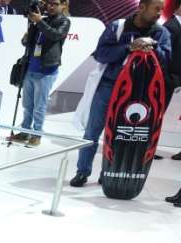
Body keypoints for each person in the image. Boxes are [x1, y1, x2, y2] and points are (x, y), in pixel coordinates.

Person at [70, 0, 171, 187]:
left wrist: (153, 46)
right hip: (108, 86)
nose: (159, 13)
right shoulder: (118, 26)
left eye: (161, 9)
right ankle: (82, 172)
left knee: (121, 135)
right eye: (156, 9)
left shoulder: (161, 33)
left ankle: (109, 172)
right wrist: (129, 47)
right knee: (92, 131)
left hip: (138, 92)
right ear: (142, 7)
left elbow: (165, 61)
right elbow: (101, 54)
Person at [8, 0, 70, 147]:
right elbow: (27, 43)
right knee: (27, 104)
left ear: (63, 5)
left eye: (55, 3)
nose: (51, 6)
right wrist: (29, 31)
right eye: (49, 3)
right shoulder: (42, 19)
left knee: (39, 106)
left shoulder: (64, 21)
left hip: (46, 71)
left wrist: (39, 21)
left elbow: (55, 35)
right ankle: (24, 132)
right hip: (31, 68)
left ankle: (37, 135)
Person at [165, 1, 181, 162]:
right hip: (169, 79)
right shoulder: (171, 26)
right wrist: (169, 79)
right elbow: (164, 55)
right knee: (155, 114)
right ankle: (146, 148)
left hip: (174, 78)